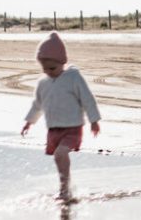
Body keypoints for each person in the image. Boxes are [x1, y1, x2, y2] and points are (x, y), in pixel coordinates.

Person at [20, 32, 100, 201]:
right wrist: (29, 122)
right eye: (44, 68)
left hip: (72, 128)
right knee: (59, 158)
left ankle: (64, 189)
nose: (49, 72)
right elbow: (37, 104)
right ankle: (65, 186)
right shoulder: (43, 83)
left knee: (60, 154)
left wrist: (94, 120)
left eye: (52, 68)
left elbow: (87, 98)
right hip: (53, 130)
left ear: (62, 62)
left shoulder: (73, 78)